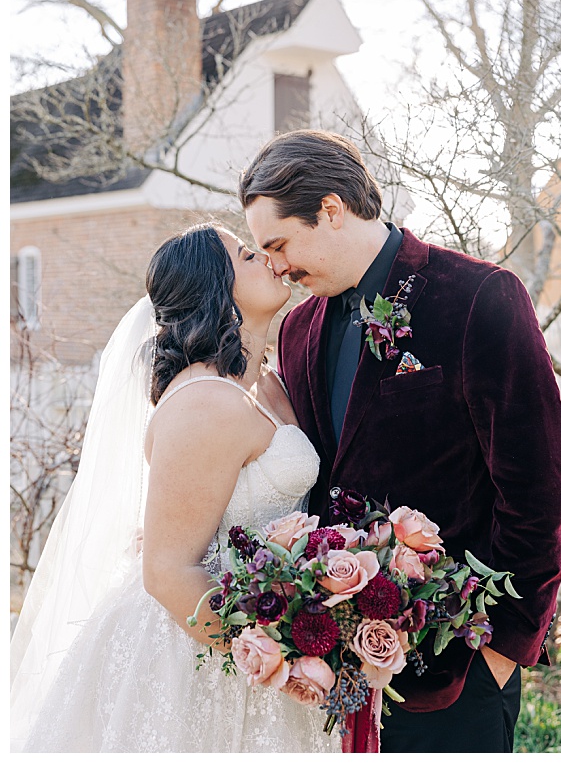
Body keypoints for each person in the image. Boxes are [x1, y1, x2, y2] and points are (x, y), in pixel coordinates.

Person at [239, 129, 561, 753]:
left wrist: (503, 645)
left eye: (279, 243)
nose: (276, 266)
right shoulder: (298, 330)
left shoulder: (478, 296)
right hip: (338, 672)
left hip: (457, 666)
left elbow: (539, 484)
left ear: (332, 209)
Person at [10, 224, 337, 752]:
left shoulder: (267, 382)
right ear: (215, 288)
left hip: (260, 628)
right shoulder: (204, 401)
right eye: (249, 255)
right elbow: (166, 571)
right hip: (195, 650)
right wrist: (271, 657)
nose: (271, 259)